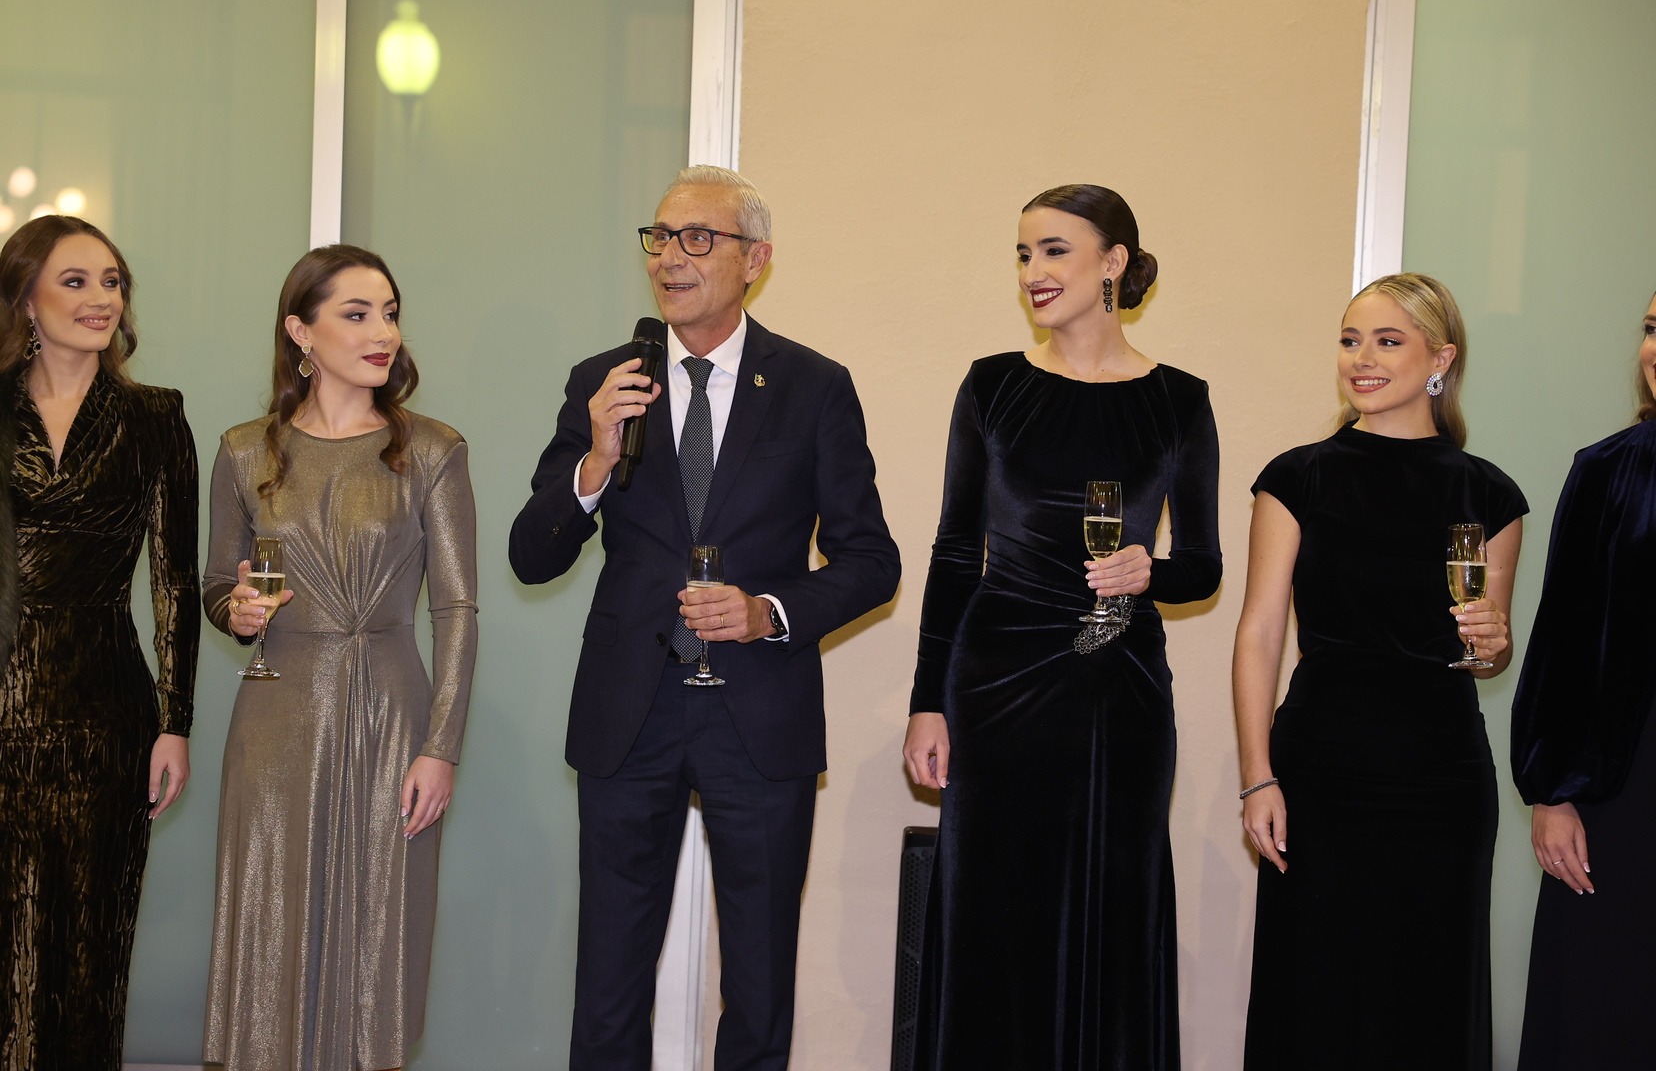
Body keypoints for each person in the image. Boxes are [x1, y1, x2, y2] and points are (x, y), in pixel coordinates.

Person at [509, 165, 900, 1070]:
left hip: (758, 715)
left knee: (759, 986)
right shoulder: (604, 383)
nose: (669, 259)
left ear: (755, 260)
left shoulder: (813, 387)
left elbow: (872, 562)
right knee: (609, 982)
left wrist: (768, 613)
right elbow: (534, 555)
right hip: (629, 711)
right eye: (659, 238)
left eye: (697, 239)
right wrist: (595, 459)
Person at [902, 184, 1221, 1069]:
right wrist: (929, 702)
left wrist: (1150, 572)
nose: (1032, 272)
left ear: (1113, 262)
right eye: (1022, 254)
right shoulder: (993, 386)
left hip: (1120, 690)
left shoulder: (1179, 401)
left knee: (1114, 907)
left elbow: (1203, 565)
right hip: (996, 688)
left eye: (1053, 251)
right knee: (992, 915)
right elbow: (955, 552)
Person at [1233, 273, 1525, 1070]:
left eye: (1388, 341)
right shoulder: (1298, 477)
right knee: (1314, 993)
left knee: (1427, 1000)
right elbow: (1260, 633)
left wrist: (1495, 641)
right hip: (1321, 772)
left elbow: (1485, 652)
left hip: (1442, 781)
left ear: (1441, 359)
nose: (1362, 358)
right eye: (1350, 340)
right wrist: (1258, 777)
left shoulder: (1489, 493)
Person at [201, 244, 478, 1071]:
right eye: (356, 314)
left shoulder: (431, 449)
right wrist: (236, 611)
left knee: (379, 937)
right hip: (274, 717)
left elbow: (456, 609)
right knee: (270, 923)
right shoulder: (244, 451)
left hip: (392, 715)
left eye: (389, 313)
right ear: (301, 332)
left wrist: (441, 745)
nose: (382, 331)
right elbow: (216, 585)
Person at [0, 215, 199, 1068]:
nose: (100, 299)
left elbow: (174, 582)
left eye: (112, 282)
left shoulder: (155, 416)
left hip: (107, 712)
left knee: (91, 954)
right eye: (75, 281)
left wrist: (175, 721)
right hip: (1, 697)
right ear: (26, 299)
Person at [1510, 290, 1656, 1069]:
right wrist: (1552, 792)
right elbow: (1563, 642)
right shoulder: (1607, 470)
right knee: (1600, 1005)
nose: (1654, 348)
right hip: (1619, 789)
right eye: (1653, 328)